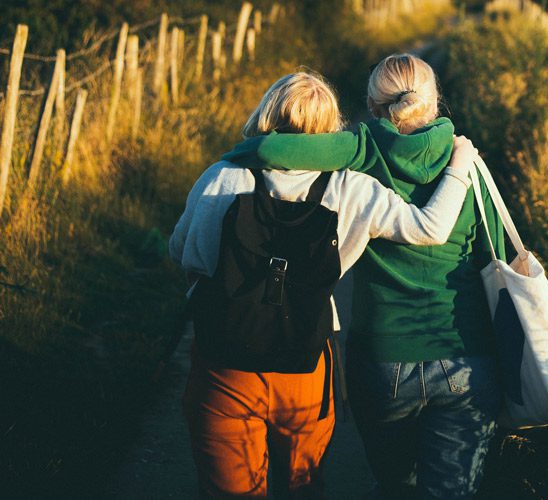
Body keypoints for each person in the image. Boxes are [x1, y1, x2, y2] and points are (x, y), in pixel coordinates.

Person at [169, 71, 479, 499]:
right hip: (306, 362)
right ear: (332, 129)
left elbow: (186, 253)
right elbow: (428, 227)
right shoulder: (352, 188)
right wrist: (460, 166)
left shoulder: (223, 176)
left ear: (266, 114)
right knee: (303, 485)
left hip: (225, 364)